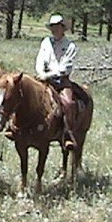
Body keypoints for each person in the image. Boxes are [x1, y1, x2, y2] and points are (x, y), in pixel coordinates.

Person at [35, 13, 77, 150]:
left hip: (61, 80)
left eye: (57, 27)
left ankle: (68, 135)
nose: (54, 29)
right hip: (43, 77)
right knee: (25, 93)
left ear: (63, 28)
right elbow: (40, 58)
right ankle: (18, 128)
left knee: (68, 103)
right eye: (52, 27)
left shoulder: (70, 46)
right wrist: (41, 72)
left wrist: (48, 75)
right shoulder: (46, 42)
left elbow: (65, 68)